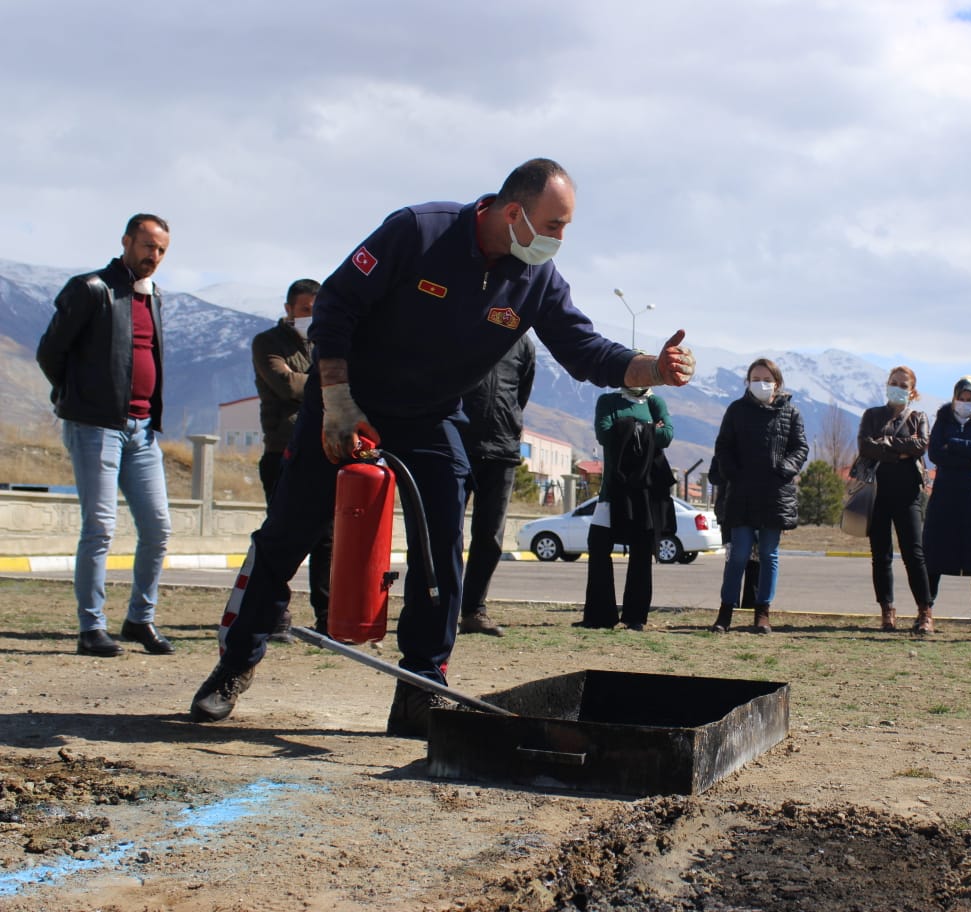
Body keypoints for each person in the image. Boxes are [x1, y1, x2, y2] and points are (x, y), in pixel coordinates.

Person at [189, 159, 697, 735]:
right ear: (514, 213)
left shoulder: (538, 281)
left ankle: (422, 685)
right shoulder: (419, 231)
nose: (560, 239)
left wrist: (652, 367)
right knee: (286, 537)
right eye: (554, 224)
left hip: (431, 419)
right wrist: (336, 400)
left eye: (565, 227)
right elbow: (335, 306)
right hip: (345, 402)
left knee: (441, 550)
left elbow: (583, 350)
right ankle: (233, 667)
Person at [35, 214, 175, 659]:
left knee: (158, 528)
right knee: (100, 528)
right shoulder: (92, 289)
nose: (153, 257)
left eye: (161, 251)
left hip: (143, 432)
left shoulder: (154, 297)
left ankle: (139, 619)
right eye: (147, 246)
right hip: (95, 427)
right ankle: (91, 627)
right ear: (127, 242)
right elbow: (50, 352)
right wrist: (79, 398)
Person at [252, 278, 332, 642]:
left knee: (328, 539)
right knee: (280, 537)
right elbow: (284, 384)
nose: (310, 316)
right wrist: (327, 382)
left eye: (316, 309)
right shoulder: (268, 342)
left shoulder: (327, 341)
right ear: (289, 310)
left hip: (324, 448)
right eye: (305, 310)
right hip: (282, 451)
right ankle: (272, 616)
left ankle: (328, 618)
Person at [709, 358, 808, 634]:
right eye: (755, 378)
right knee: (738, 554)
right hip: (741, 494)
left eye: (766, 378)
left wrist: (784, 469)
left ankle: (762, 613)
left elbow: (800, 448)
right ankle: (725, 612)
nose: (760, 383)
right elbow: (723, 446)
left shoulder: (791, 413)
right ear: (747, 382)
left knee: (768, 554)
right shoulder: (736, 410)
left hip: (775, 495)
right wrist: (732, 473)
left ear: (777, 382)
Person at [457, 335, 536, 637]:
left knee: (490, 537)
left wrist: (510, 425)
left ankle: (474, 610)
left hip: (502, 449)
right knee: (446, 532)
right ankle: (438, 607)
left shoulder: (524, 344)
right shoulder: (465, 324)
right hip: (458, 444)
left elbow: (521, 394)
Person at [580, 385, 675, 630]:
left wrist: (627, 426)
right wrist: (649, 429)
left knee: (642, 553)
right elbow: (605, 435)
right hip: (613, 488)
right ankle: (600, 616)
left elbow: (668, 436)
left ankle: (635, 617)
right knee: (598, 545)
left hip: (645, 492)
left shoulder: (655, 402)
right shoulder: (608, 400)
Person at [855, 366, 932, 633]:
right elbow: (865, 445)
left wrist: (885, 443)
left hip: (909, 493)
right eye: (893, 382)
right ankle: (887, 611)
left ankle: (925, 612)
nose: (898, 387)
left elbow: (920, 445)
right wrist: (900, 450)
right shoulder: (872, 415)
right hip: (877, 493)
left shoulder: (919, 417)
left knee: (915, 554)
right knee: (881, 556)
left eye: (903, 384)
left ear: (913, 390)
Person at [924, 376, 971, 637]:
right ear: (954, 398)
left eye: (970, 399)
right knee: (935, 554)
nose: (965, 403)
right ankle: (926, 613)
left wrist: (952, 445)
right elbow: (935, 454)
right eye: (961, 398)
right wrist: (968, 454)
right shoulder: (943, 419)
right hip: (945, 496)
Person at [706, 455, 759, 630]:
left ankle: (751, 608)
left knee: (755, 562)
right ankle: (730, 605)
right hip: (730, 511)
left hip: (757, 511)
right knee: (733, 561)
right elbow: (713, 476)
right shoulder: (725, 448)